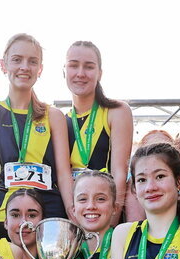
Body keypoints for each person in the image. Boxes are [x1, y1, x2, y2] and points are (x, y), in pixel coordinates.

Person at [0, 33, 74, 235]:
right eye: (17, 60)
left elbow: (63, 175)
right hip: (5, 214)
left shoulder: (53, 116)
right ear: (4, 65)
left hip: (48, 214)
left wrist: (73, 217)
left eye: (32, 61)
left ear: (40, 69)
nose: (24, 67)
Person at [63, 40, 133, 225]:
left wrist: (111, 223)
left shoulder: (117, 111)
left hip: (105, 212)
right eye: (73, 65)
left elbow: (119, 171)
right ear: (64, 71)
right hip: (76, 216)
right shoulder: (60, 120)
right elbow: (62, 174)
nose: (80, 73)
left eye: (89, 67)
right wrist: (74, 218)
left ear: (99, 73)